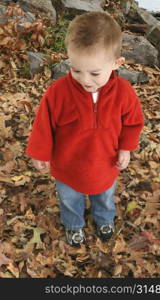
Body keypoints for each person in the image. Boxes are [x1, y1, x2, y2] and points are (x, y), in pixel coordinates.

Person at [26, 11, 144, 247]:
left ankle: (104, 219)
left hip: (105, 163)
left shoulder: (124, 93)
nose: (85, 80)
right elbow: (43, 124)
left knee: (105, 197)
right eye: (76, 70)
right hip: (68, 164)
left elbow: (133, 122)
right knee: (69, 199)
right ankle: (74, 224)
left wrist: (125, 149)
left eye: (94, 73)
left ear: (116, 63)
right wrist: (40, 153)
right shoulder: (58, 93)